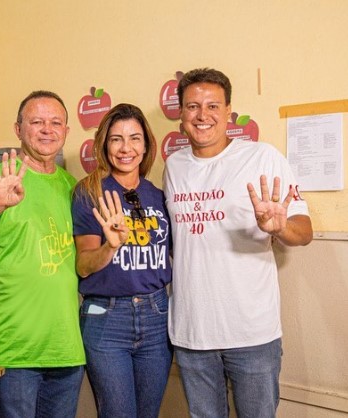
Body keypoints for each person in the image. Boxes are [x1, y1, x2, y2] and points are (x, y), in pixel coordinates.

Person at [163, 68, 313, 418]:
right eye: (193, 106)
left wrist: (279, 228)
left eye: (213, 106)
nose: (203, 116)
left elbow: (303, 231)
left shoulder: (263, 157)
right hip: (191, 333)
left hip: (252, 334)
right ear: (181, 113)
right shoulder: (173, 166)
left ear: (228, 111)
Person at [0, 90, 85, 418]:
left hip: (66, 350)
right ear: (18, 129)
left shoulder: (72, 187)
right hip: (12, 353)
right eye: (37, 121)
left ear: (66, 132)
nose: (47, 129)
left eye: (56, 122)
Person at [72, 103, 173, 418]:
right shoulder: (89, 193)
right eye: (116, 139)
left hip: (157, 315)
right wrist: (110, 247)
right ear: (104, 145)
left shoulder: (158, 195)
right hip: (107, 318)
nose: (125, 148)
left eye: (134, 138)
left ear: (146, 145)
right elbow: (83, 265)